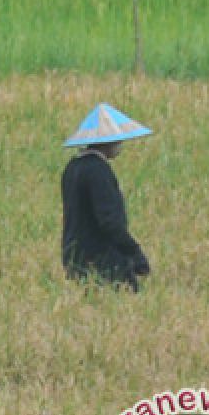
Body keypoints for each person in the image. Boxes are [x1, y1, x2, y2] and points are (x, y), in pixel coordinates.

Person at [60, 103, 152, 292]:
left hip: (74, 256)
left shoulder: (72, 168)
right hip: (101, 259)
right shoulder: (98, 171)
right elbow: (109, 221)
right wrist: (134, 252)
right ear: (109, 142)